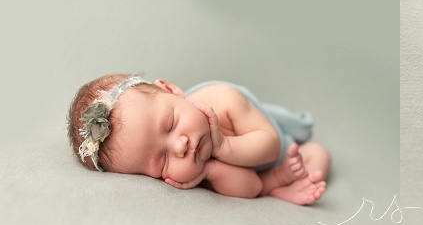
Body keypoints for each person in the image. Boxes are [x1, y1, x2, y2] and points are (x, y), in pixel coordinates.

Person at [68, 75, 329, 203]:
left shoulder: (223, 99)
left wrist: (225, 146)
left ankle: (290, 176)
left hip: (279, 142)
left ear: (171, 90)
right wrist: (210, 170)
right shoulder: (195, 166)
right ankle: (279, 183)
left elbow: (270, 148)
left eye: (170, 124)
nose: (180, 146)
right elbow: (252, 188)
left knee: (317, 154)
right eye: (162, 161)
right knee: (264, 186)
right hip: (262, 176)